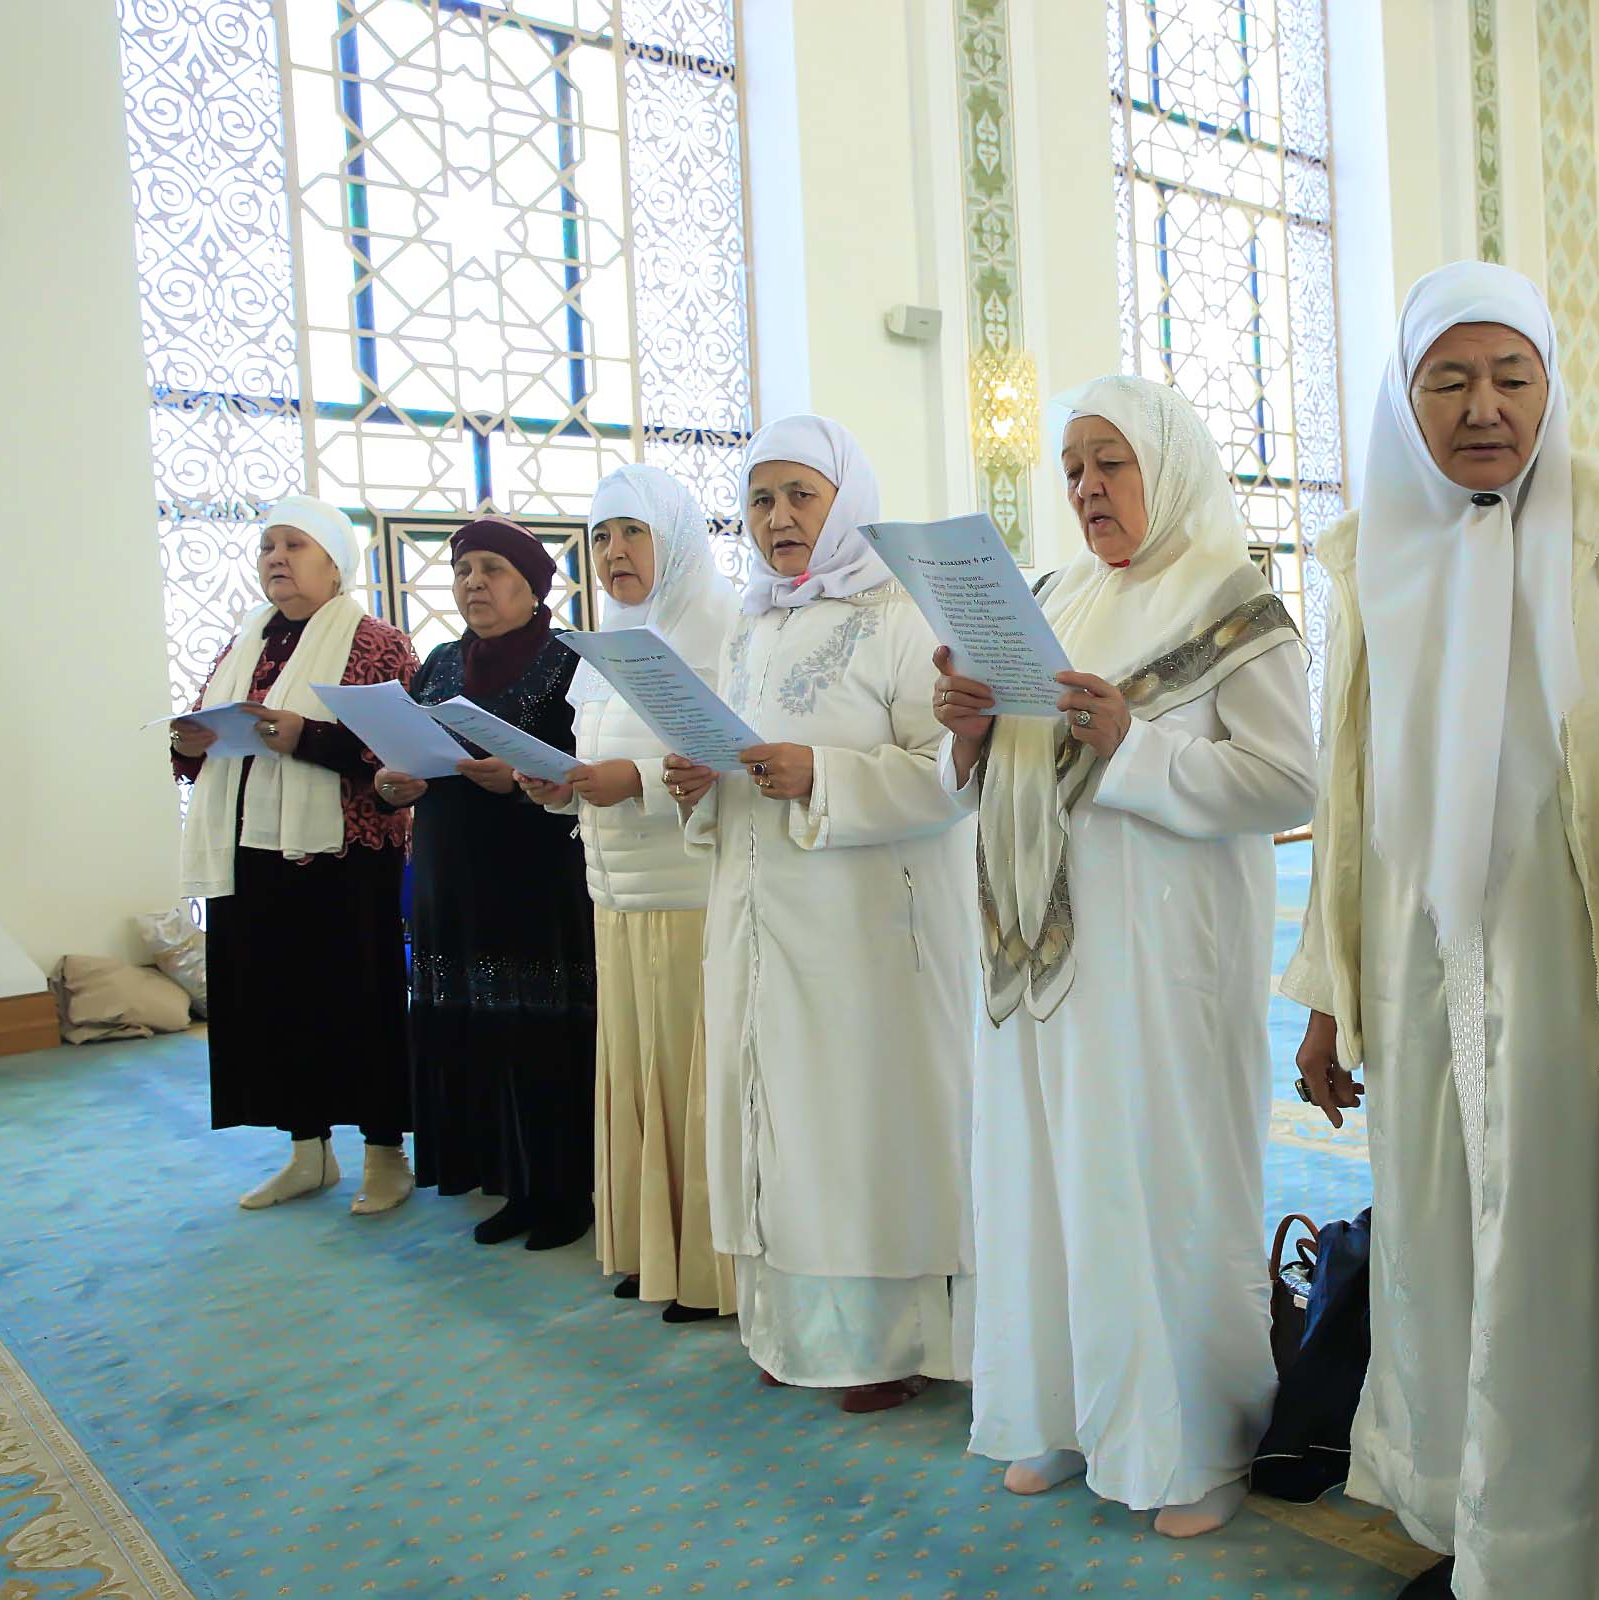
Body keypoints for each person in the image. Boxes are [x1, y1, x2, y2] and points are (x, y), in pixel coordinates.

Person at [1280, 262, 1599, 1600]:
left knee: (1580, 1259)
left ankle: (1596, 1547)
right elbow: (1348, 794)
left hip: (1585, 982)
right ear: (1407, 399)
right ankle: (1477, 1527)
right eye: (1449, 380)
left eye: (1511, 377)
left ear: (1550, 387)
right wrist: (1329, 995)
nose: (1483, 407)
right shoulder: (1369, 553)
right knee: (1440, 1251)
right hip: (1423, 978)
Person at [932, 376, 1317, 1537]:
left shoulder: (1232, 597)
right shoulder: (1053, 596)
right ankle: (1065, 1411)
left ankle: (1195, 1443)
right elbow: (1007, 770)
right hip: (1036, 955)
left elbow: (1290, 781)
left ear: (1168, 462)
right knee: (1047, 1176)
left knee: (1161, 1186)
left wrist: (1133, 746)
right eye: (1073, 469)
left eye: (1112, 461)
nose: (1089, 487)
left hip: (1162, 962)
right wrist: (969, 734)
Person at [663, 415, 978, 1409]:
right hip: (759, 918)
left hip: (866, 930)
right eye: (761, 500)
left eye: (801, 494)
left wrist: (823, 776)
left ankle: (889, 1344)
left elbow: (952, 771)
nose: (779, 517)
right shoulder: (751, 623)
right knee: (776, 1116)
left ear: (847, 500)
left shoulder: (903, 613)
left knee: (860, 1123)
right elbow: (737, 752)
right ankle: (793, 1331)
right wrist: (700, 783)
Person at [518, 465, 736, 1321]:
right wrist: (562, 787)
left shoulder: (718, 628)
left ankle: (711, 1270)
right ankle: (656, 1252)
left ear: (672, 540)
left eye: (632, 533)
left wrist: (634, 782)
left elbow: (726, 758)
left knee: (694, 1081)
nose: (614, 552)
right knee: (639, 1076)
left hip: (689, 894)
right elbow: (595, 757)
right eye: (602, 536)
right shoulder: (612, 641)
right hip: (614, 893)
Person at [175, 496, 422, 1215]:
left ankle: (385, 1155)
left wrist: (305, 737)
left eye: (294, 545)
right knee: (275, 1003)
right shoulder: (247, 642)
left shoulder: (376, 642)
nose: (276, 558)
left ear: (335, 564)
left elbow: (400, 750)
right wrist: (187, 744)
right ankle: (307, 1153)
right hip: (252, 852)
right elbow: (208, 744)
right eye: (267, 547)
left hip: (347, 856)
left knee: (359, 1003)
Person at [377, 518, 597, 1251]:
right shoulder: (440, 662)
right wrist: (391, 784)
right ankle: (507, 1180)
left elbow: (586, 760)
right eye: (464, 569)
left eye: (494, 569)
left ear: (534, 588)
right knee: (477, 1029)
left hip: (534, 871)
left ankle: (562, 1190)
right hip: (450, 870)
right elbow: (405, 752)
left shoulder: (570, 660)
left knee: (539, 1033)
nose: (475, 583)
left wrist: (521, 774)